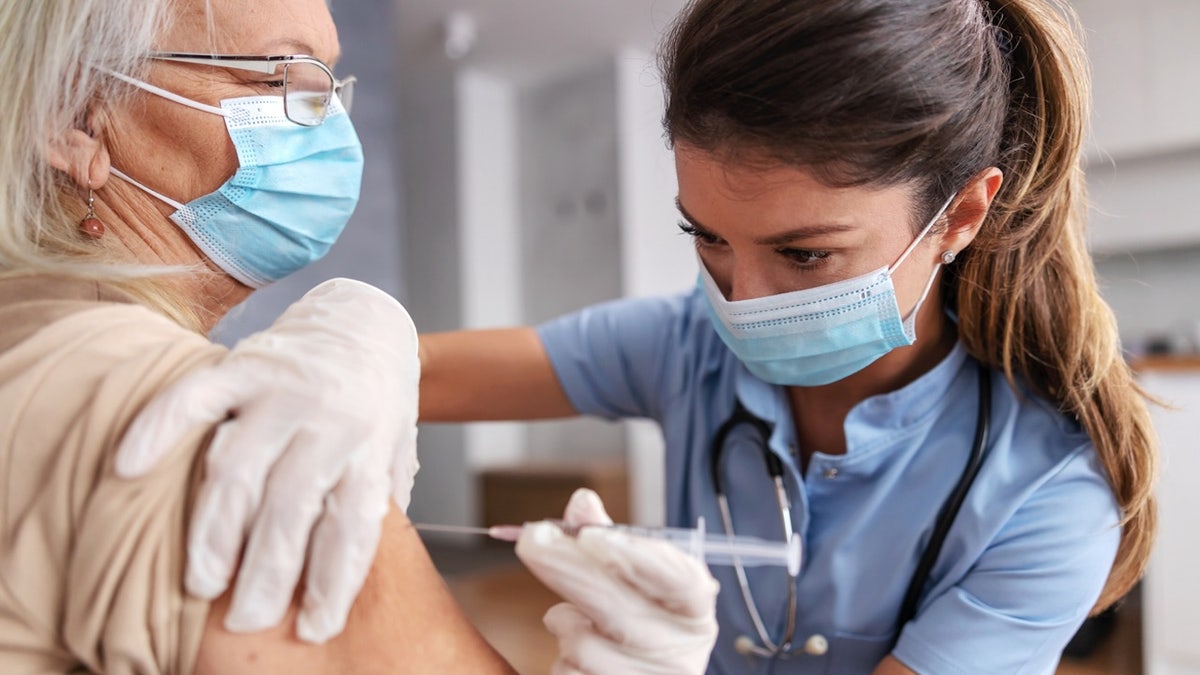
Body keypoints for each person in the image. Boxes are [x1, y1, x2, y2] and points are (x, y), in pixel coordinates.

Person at [124, 0, 1157, 673]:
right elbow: (417, 370)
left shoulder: (1045, 498)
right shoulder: (687, 344)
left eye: (804, 257)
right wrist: (350, 339)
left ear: (962, 216)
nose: (742, 302)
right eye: (705, 238)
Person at [0, 0, 722, 672]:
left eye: (327, 82)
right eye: (283, 73)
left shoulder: (32, 335)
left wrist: (377, 332)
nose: (331, 126)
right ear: (78, 118)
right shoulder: (186, 424)